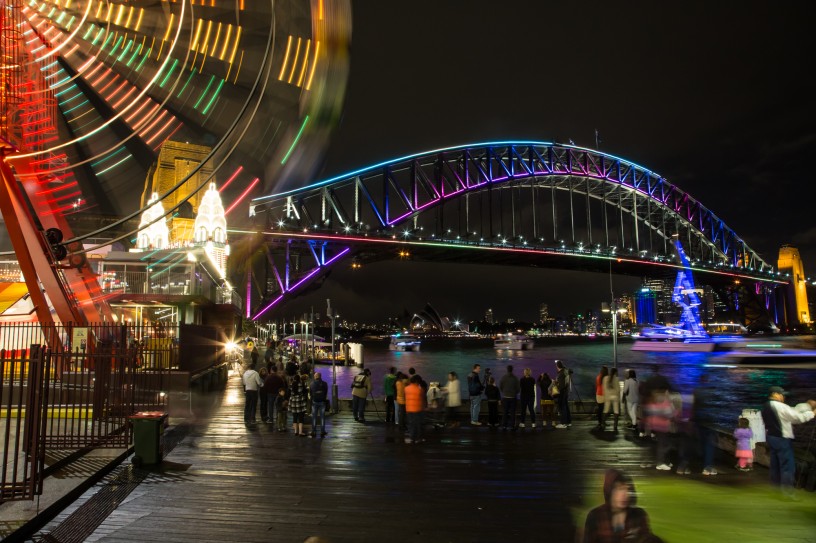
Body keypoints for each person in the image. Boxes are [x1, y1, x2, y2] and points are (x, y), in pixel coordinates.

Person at [760, 386, 816, 497]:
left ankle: (775, 491)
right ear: (775, 394)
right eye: (781, 394)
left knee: (775, 466)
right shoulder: (780, 406)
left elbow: (791, 411)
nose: (783, 396)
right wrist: (813, 413)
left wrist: (808, 405)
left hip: (771, 438)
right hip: (782, 439)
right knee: (787, 467)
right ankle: (787, 494)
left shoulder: (766, 406)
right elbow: (796, 418)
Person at [582, 469, 655, 543]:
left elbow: (648, 539)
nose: (625, 494)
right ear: (609, 490)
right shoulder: (595, 516)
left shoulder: (638, 515)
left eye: (628, 489)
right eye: (619, 489)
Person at [691, 374, 718, 475]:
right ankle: (707, 467)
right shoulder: (713, 392)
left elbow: (694, 406)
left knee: (702, 441)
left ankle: (703, 461)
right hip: (710, 421)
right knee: (709, 444)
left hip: (699, 419)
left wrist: (693, 419)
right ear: (708, 380)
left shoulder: (697, 391)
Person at [499, 365, 520, 431]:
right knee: (512, 412)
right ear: (512, 370)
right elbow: (518, 388)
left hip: (505, 397)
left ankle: (504, 425)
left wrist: (504, 392)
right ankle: (512, 426)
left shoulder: (503, 377)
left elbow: (501, 386)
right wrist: (514, 393)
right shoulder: (515, 378)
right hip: (513, 397)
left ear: (507, 369)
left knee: (505, 412)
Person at [405, 375, 425, 444]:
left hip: (409, 409)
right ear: (417, 381)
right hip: (418, 409)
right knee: (418, 424)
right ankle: (418, 438)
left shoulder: (406, 388)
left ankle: (412, 438)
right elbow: (422, 398)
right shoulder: (420, 389)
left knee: (411, 424)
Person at [309, 372, 329, 437]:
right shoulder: (324, 383)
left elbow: (311, 393)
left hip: (314, 402)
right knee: (322, 417)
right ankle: (322, 431)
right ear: (320, 376)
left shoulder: (312, 384)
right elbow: (326, 392)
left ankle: (313, 431)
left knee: (314, 417)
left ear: (315, 377)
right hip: (322, 401)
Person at [602, 367, 621, 432]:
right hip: (615, 397)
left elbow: (604, 388)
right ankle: (615, 426)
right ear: (615, 372)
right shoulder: (616, 379)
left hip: (607, 396)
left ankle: (603, 424)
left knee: (606, 410)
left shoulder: (605, 378)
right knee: (616, 411)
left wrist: (605, 396)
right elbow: (618, 389)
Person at [554, 360, 572, 429]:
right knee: (566, 407)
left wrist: (555, 384)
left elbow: (561, 386)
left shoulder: (561, 374)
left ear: (558, 366)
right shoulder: (566, 371)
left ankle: (563, 423)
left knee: (562, 407)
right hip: (566, 392)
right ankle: (568, 422)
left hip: (562, 393)